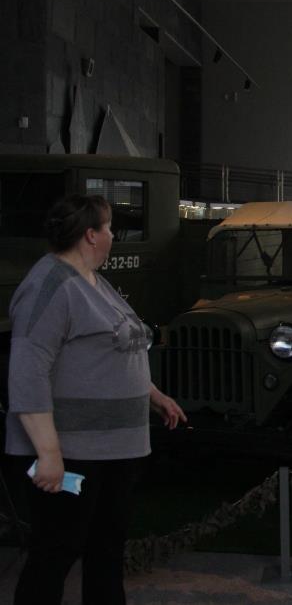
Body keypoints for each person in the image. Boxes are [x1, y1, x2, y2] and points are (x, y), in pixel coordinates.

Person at [6, 194, 186, 605]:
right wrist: (49, 454)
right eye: (108, 228)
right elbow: (27, 373)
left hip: (113, 451)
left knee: (106, 549)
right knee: (55, 552)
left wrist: (153, 394)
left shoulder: (92, 280)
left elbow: (114, 348)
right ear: (90, 235)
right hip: (73, 454)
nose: (112, 236)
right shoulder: (48, 286)